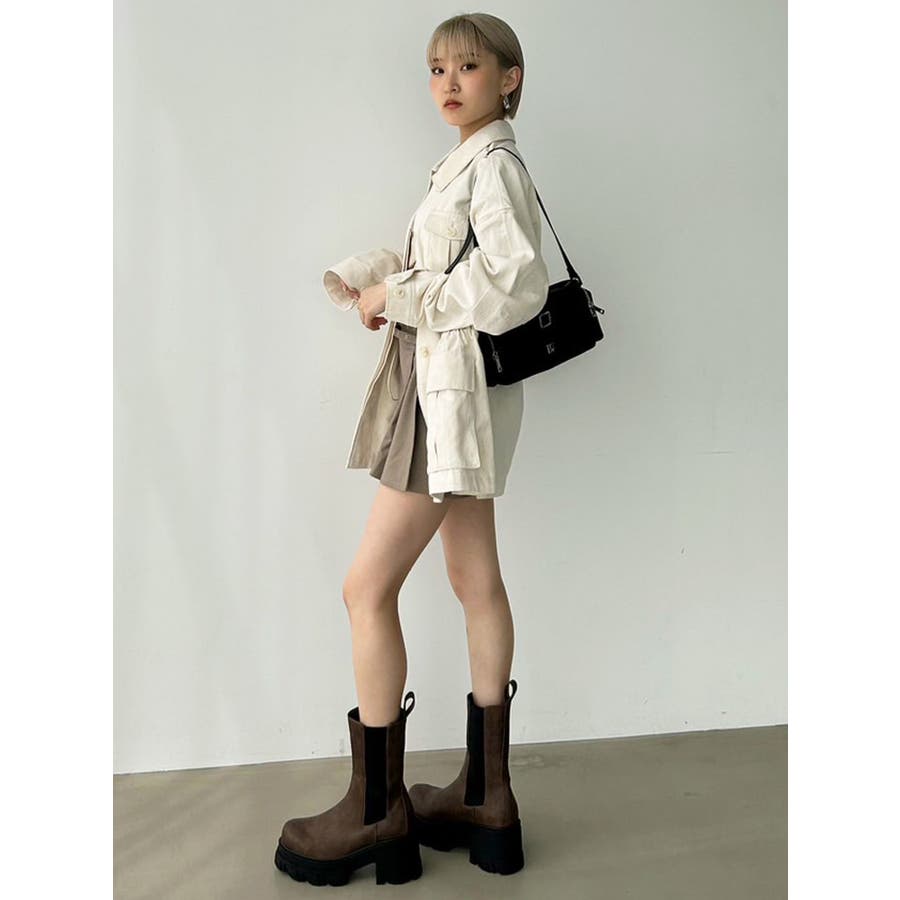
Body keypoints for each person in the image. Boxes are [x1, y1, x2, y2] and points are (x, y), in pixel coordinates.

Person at [275, 12, 549, 887]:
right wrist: (382, 281)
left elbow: (514, 283)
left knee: (365, 588)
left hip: (446, 406)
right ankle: (487, 799)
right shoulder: (470, 162)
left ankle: (375, 811)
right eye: (437, 69)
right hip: (457, 398)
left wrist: (402, 298)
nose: (449, 83)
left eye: (468, 66)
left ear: (508, 77)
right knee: (476, 580)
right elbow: (452, 268)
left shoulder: (493, 165)